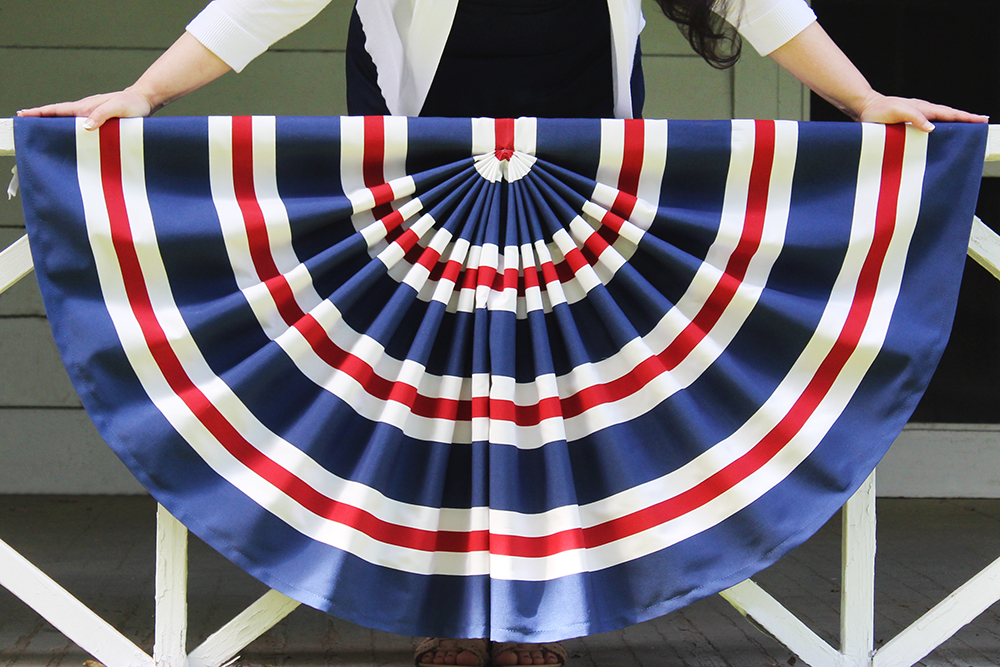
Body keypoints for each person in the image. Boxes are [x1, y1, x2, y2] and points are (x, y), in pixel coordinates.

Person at [16, 1, 988, 666]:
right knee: (431, 399)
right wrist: (145, 93)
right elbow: (266, 1)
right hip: (421, 174)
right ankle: (444, 615)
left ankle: (534, 619)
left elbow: (753, 0)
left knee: (554, 400)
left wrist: (861, 99)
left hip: (578, 174)